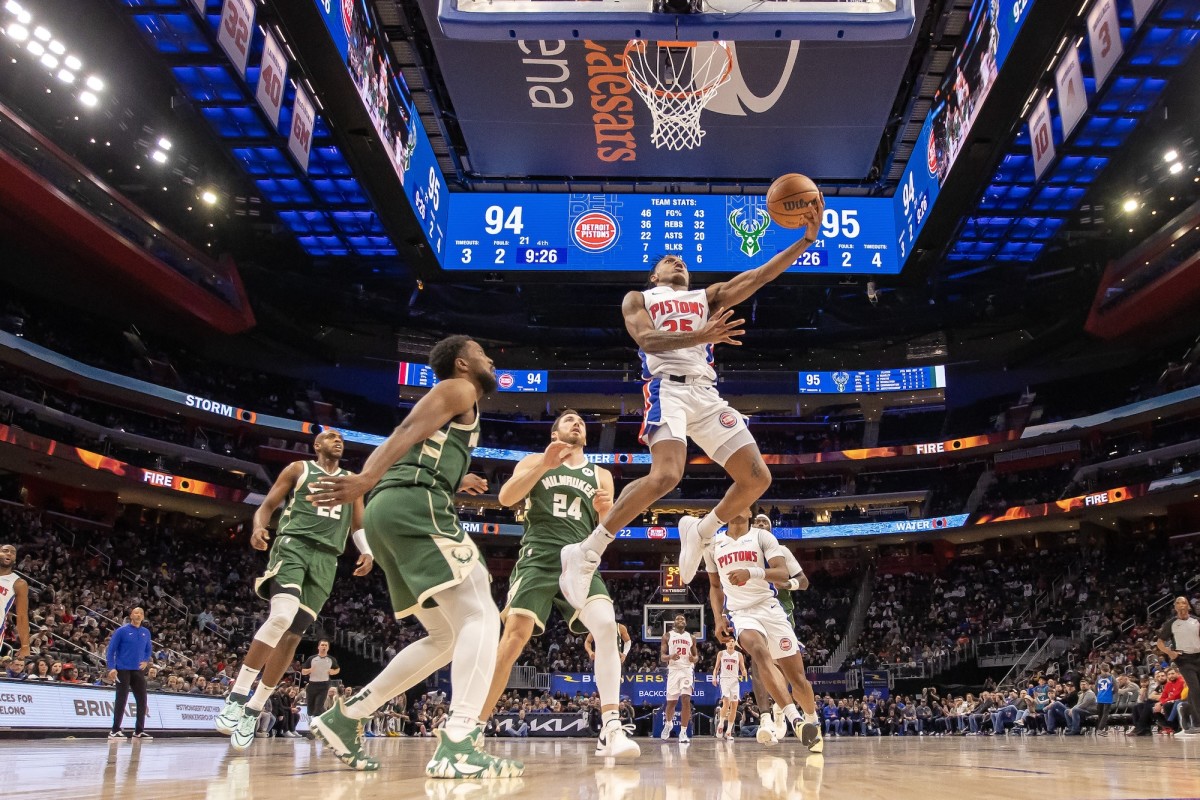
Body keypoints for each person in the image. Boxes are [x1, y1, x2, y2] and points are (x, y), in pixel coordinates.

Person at [559, 198, 826, 606]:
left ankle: (701, 531)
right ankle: (588, 551)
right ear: (654, 275)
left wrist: (805, 240)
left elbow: (758, 276)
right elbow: (647, 340)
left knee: (757, 479)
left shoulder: (708, 296)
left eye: (681, 260)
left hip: (705, 393)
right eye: (668, 260)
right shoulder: (638, 299)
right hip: (667, 389)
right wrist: (701, 337)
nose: (677, 262)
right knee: (667, 475)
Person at [306, 335, 523, 779]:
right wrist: (365, 477)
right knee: (481, 611)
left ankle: (346, 717)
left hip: (394, 510)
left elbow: (425, 448)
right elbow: (405, 433)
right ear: (462, 363)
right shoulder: (459, 388)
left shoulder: (462, 406)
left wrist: (458, 478)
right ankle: (460, 741)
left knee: (445, 637)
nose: (491, 359)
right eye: (482, 354)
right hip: (410, 503)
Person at [480, 411, 638, 761]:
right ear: (555, 432)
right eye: (568, 420)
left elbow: (606, 533)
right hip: (539, 555)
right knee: (513, 640)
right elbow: (506, 498)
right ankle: (473, 728)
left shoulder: (601, 474)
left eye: (580, 421)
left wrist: (604, 511)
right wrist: (543, 466)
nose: (577, 423)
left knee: (607, 627)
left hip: (580, 559)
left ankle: (611, 726)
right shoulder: (536, 460)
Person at [214, 430, 374, 751]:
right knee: (281, 617)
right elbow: (268, 505)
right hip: (294, 547)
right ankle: (237, 694)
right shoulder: (298, 470)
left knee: (294, 635)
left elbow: (357, 524)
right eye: (330, 436)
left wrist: (366, 551)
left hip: (327, 560)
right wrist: (259, 526)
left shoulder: (351, 481)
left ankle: (253, 708)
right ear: (317, 446)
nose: (338, 440)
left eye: (341, 437)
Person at [704, 510, 822, 751]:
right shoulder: (714, 543)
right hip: (741, 613)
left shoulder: (764, 538)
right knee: (758, 653)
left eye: (741, 503)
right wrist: (718, 618)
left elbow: (782, 572)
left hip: (771, 608)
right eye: (730, 503)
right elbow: (715, 586)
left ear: (747, 510)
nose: (735, 506)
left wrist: (752, 572)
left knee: (798, 680)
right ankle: (794, 720)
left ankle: (812, 721)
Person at [105, 607, 152, 740]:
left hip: (137, 670)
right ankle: (115, 730)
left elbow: (148, 649)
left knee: (142, 699)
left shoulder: (146, 632)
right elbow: (111, 650)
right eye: (136, 613)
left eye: (141, 613)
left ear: (143, 617)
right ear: (131, 615)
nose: (139, 615)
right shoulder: (122, 631)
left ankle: (139, 731)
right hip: (123, 669)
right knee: (121, 699)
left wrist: (145, 661)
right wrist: (111, 667)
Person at [1157, 596, 1200, 735]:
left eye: (1184, 603)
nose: (1181, 605)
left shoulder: (1196, 621)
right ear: (1175, 607)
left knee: (1197, 691)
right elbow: (1160, 643)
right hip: (1184, 659)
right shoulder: (1171, 623)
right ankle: (1197, 723)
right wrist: (1170, 652)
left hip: (1198, 656)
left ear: (1188, 606)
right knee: (1195, 688)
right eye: (1178, 603)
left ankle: (1185, 709)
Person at [660, 614, 698, 743]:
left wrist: (694, 659)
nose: (680, 620)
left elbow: (696, 656)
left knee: (686, 699)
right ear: (674, 623)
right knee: (671, 703)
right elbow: (662, 657)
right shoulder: (667, 636)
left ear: (686, 623)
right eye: (677, 619)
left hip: (687, 670)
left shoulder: (691, 637)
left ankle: (683, 732)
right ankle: (669, 724)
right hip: (673, 671)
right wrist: (670, 656)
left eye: (682, 619)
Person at [0, 544, 30, 661]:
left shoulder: (18, 583)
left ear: (15, 559)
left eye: (12, 552)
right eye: (5, 551)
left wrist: (25, 645)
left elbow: (22, 616)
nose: (9, 553)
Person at [712, 639, 747, 740]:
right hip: (724, 680)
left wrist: (744, 672)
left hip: (735, 680)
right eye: (729, 641)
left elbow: (742, 667)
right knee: (726, 703)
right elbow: (716, 668)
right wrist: (714, 677)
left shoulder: (739, 655)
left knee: (734, 706)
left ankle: (728, 732)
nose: (731, 643)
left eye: (732, 641)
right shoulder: (721, 653)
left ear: (735, 643)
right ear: (726, 643)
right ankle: (721, 724)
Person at [302, 640, 341, 721]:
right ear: (318, 647)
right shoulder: (312, 658)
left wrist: (333, 672)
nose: (324, 647)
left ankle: (325, 721)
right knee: (310, 711)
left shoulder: (331, 659)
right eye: (322, 645)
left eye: (326, 645)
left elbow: (337, 669)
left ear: (328, 648)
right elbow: (303, 671)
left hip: (324, 685)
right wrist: (310, 670)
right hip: (312, 685)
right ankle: (323, 717)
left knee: (318, 706)